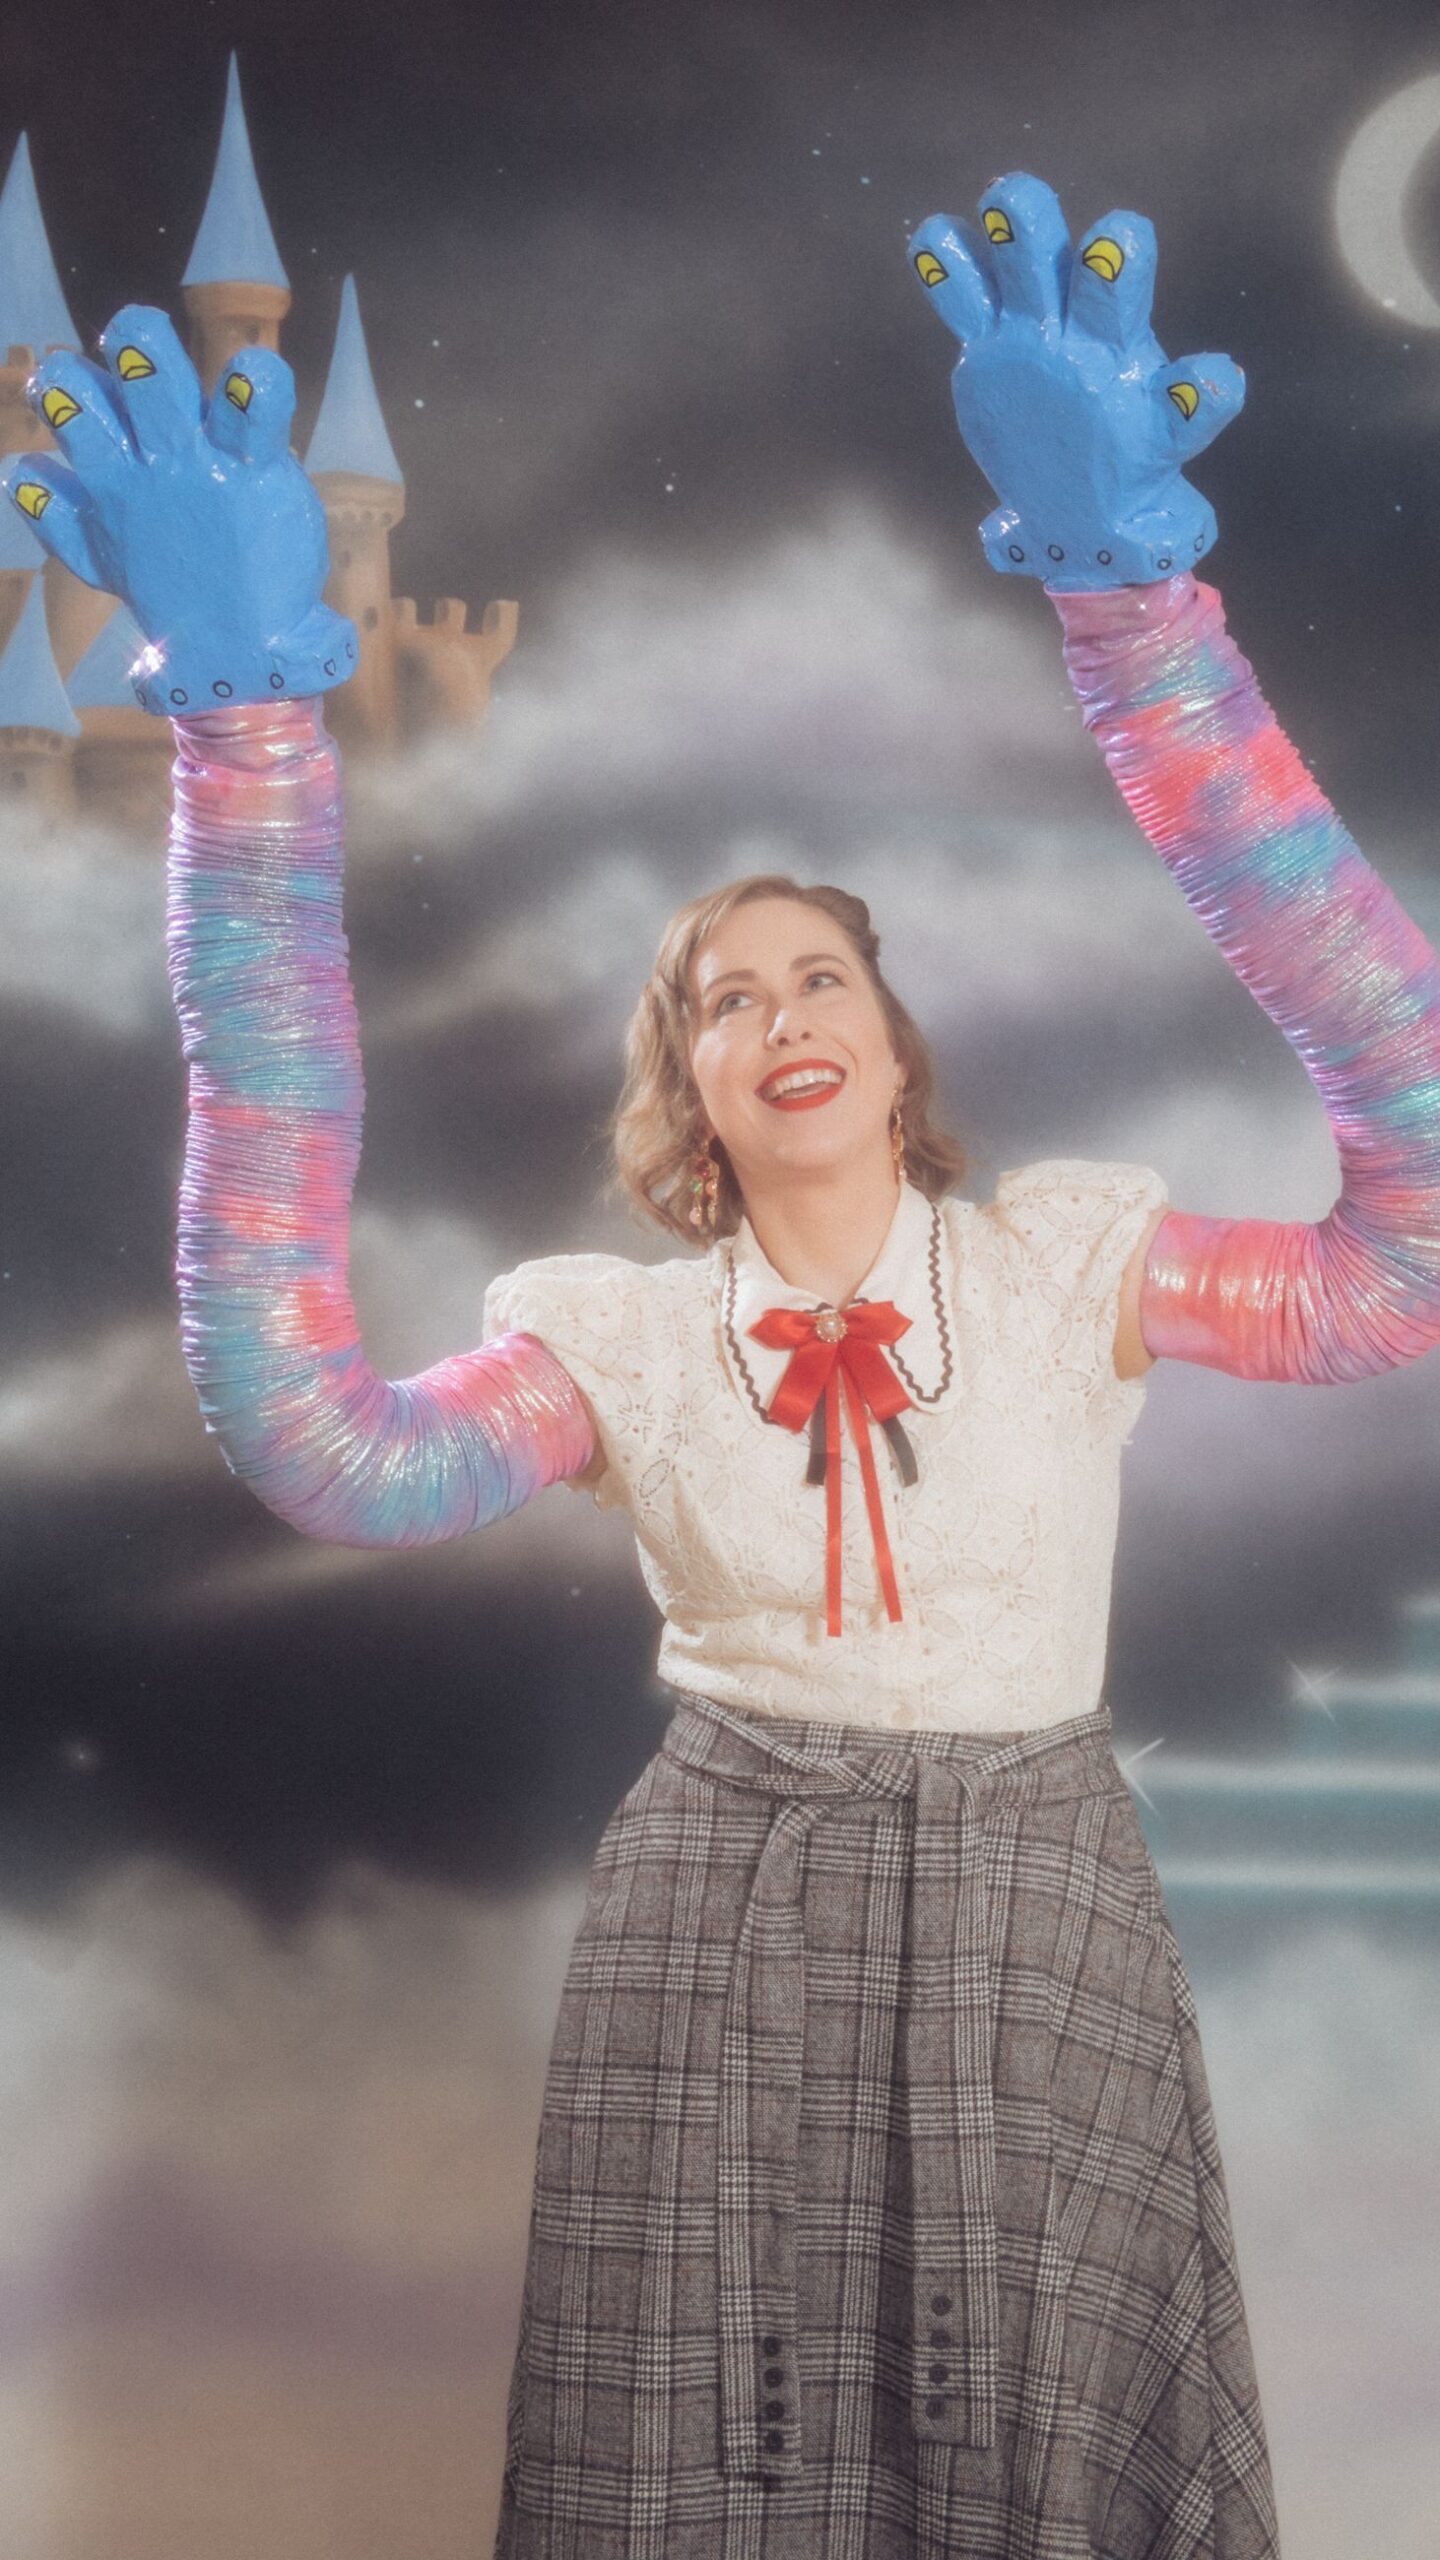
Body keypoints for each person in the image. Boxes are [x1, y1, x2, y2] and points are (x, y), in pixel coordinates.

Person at [9, 167, 1440, 2558]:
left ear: (896, 1042)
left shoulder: (1066, 1263)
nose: (776, 1010)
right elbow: (317, 1430)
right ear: (685, 1082)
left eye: (819, 975)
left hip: (1041, 1900)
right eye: (719, 990)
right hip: (724, 1920)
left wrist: (1137, 619)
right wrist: (248, 754)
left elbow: (1412, 1231)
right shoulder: (629, 1345)